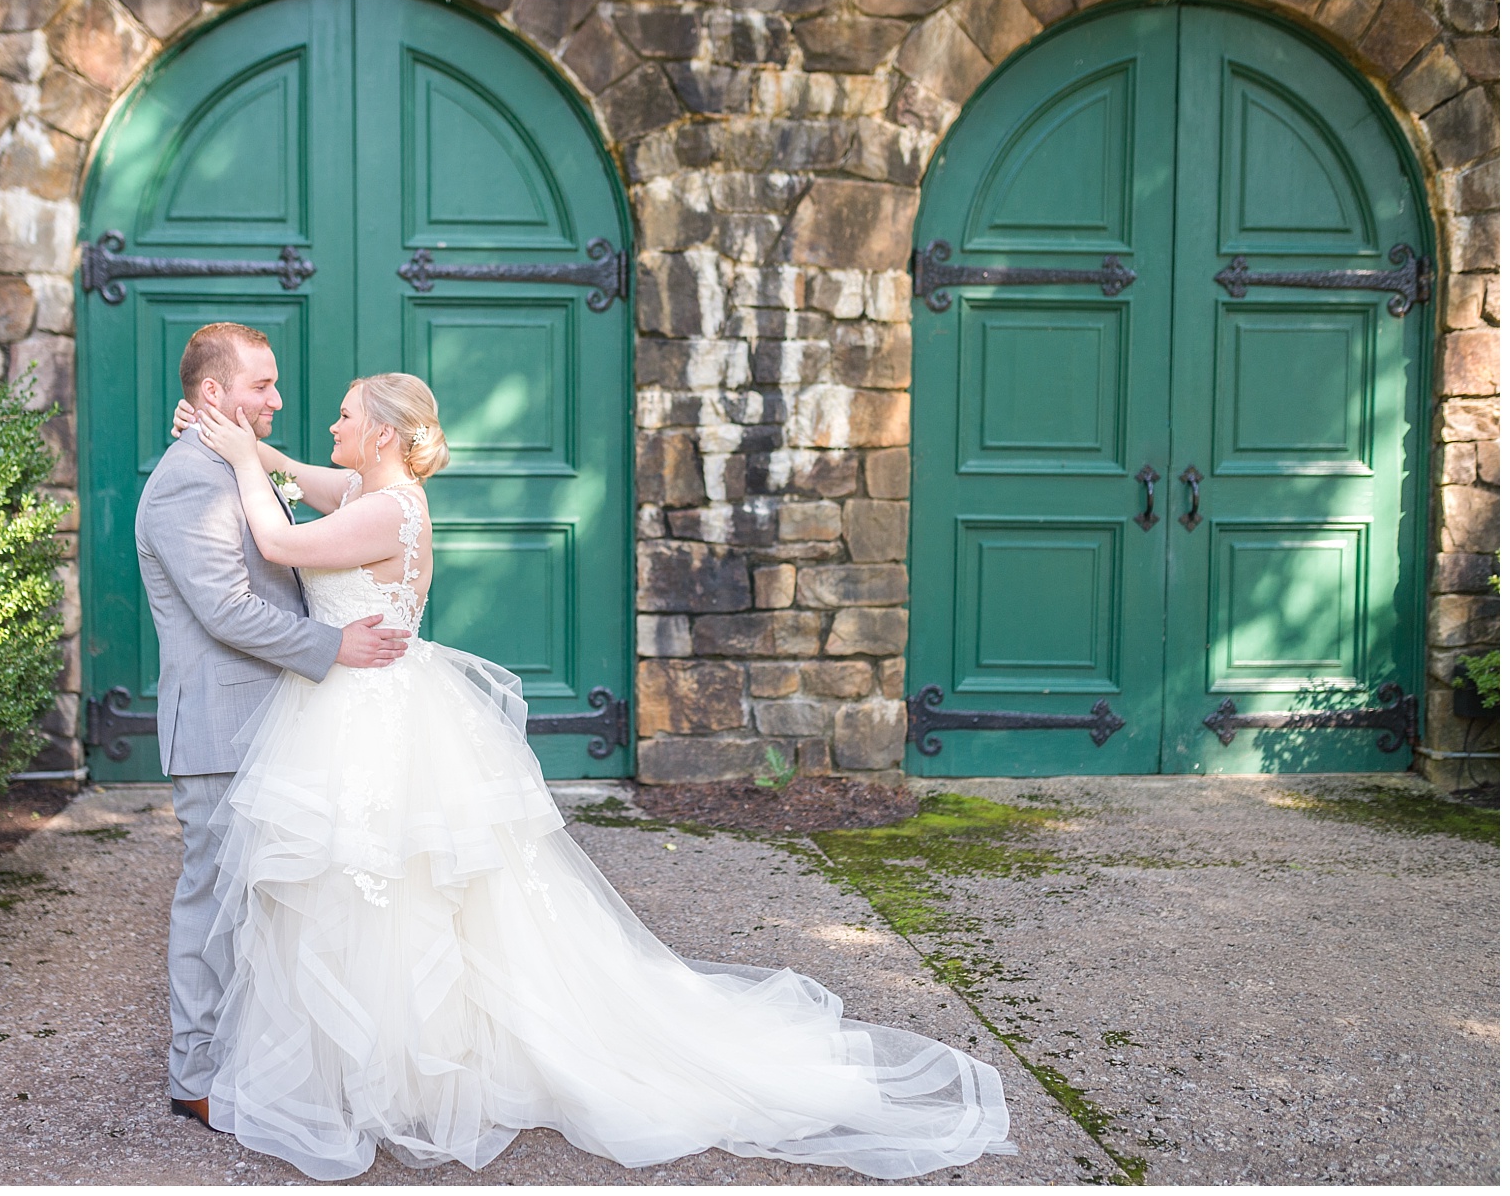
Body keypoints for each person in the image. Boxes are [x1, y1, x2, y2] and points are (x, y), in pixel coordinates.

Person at [171, 371, 1015, 1180]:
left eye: (347, 416)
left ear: (383, 433)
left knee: (390, 889)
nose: (332, 427)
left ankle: (393, 1070)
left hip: (371, 718)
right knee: (366, 891)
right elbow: (314, 482)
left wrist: (244, 463)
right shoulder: (368, 494)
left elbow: (279, 541)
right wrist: (263, 453)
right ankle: (371, 1062)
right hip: (361, 707)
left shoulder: (386, 510)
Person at [134, 323, 411, 1131]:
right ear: (212, 394)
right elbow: (225, 609)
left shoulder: (232, 460)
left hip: (278, 717)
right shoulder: (189, 480)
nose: (278, 400)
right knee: (215, 900)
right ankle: (195, 1077)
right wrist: (334, 645)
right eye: (261, 386)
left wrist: (262, 458)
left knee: (275, 905)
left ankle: (267, 1058)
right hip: (224, 722)